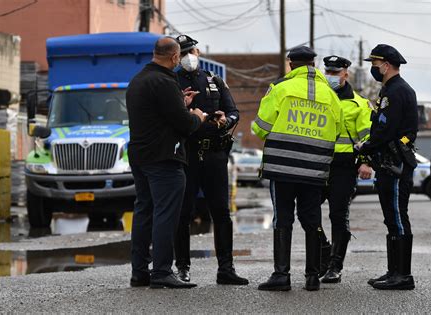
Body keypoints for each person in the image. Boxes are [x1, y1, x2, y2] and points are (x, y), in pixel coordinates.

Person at [252, 46, 343, 291]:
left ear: (291, 64)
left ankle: (282, 276)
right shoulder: (331, 95)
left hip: (283, 167)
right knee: (312, 220)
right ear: (313, 64)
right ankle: (312, 277)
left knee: (283, 219)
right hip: (314, 170)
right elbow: (336, 130)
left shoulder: (282, 88)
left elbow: (261, 126)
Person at [126, 36, 205, 289]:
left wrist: (180, 103)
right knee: (165, 214)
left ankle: (139, 271)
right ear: (173, 57)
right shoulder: (164, 81)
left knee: (144, 212)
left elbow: (156, 114)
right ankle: (161, 271)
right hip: (164, 158)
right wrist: (197, 116)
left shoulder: (139, 80)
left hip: (140, 156)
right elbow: (183, 124)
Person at [173, 35, 248, 285]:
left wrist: (226, 120)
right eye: (182, 52)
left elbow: (234, 111)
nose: (187, 56)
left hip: (215, 154)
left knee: (221, 212)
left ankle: (226, 268)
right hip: (188, 154)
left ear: (198, 50)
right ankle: (182, 267)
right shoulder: (172, 81)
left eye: (190, 51)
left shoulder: (215, 81)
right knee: (183, 213)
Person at [359, 44, 418, 290]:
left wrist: (366, 146)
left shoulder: (396, 92)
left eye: (374, 63)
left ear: (386, 65)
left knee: (397, 216)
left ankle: (403, 275)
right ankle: (394, 270)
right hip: (388, 162)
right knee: (392, 218)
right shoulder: (391, 90)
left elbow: (386, 129)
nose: (373, 68)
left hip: (394, 163)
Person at [320, 55, 373, 283]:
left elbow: (368, 136)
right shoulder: (317, 98)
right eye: (328, 72)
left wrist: (366, 161)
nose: (331, 76)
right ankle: (324, 249)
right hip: (318, 163)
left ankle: (335, 265)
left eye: (336, 72)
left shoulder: (359, 104)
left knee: (338, 215)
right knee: (307, 212)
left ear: (345, 74)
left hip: (344, 167)